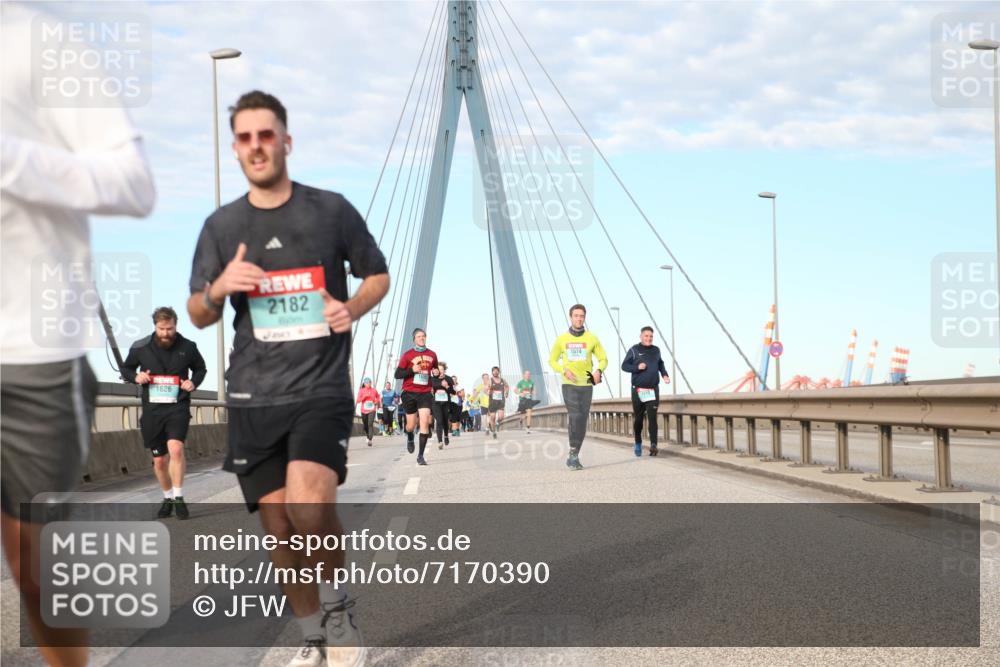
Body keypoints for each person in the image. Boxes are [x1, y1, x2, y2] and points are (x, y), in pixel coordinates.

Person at [187, 90, 389, 667]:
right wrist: (219, 288)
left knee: (308, 507)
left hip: (320, 387)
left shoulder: (331, 211)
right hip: (253, 394)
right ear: (235, 148)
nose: (256, 146)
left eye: (266, 135)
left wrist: (350, 308)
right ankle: (312, 639)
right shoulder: (222, 226)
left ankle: (338, 607)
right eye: (245, 138)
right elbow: (198, 312)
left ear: (286, 141)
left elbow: (377, 275)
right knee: (280, 531)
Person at [0, 5, 156, 664]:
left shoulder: (37, 41)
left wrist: (10, 159)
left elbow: (134, 185)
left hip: (29, 353)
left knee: (38, 575)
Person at [121, 307, 207, 519]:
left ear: (176, 326)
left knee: (176, 449)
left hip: (178, 406)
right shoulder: (140, 346)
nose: (166, 333)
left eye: (170, 329)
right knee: (159, 460)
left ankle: (178, 497)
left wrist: (193, 382)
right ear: (155, 326)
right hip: (152, 410)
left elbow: (200, 369)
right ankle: (167, 497)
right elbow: (126, 369)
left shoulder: (188, 346)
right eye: (162, 329)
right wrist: (136, 377)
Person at [548, 304, 607, 470]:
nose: (579, 319)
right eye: (576, 316)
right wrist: (563, 370)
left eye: (582, 316)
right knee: (575, 416)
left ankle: (574, 453)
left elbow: (603, 359)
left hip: (586, 384)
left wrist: (598, 371)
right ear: (571, 317)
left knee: (582, 419)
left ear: (584, 318)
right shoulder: (562, 339)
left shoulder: (592, 338)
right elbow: (552, 360)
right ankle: (573, 454)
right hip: (569, 384)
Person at [622, 326, 671, 456]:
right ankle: (638, 442)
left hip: (653, 390)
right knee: (638, 419)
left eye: (651, 336)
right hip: (638, 390)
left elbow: (660, 364)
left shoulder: (656, 350)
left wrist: (664, 375)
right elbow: (624, 366)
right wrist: (637, 367)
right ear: (641, 337)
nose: (649, 338)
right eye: (646, 336)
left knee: (652, 418)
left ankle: (653, 445)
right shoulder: (634, 350)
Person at [394, 328, 438, 465]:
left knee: (424, 423)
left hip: (425, 392)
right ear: (414, 339)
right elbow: (397, 374)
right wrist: (411, 370)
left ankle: (420, 456)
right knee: (410, 425)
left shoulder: (432, 354)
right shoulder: (407, 355)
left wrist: (436, 372)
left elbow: (435, 370)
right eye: (419, 336)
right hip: (409, 393)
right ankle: (410, 437)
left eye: (423, 336)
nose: (421, 338)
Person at [430, 361, 454, 450]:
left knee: (445, 421)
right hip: (436, 403)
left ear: (444, 370)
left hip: (446, 403)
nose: (440, 371)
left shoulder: (448, 379)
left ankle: (446, 435)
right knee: (439, 421)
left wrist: (447, 387)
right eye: (438, 369)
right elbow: (430, 388)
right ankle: (440, 441)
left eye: (442, 369)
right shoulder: (433, 379)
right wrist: (432, 390)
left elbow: (453, 392)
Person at [486, 366, 509, 439]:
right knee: (492, 417)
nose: (495, 372)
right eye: (494, 371)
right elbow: (485, 389)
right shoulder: (490, 380)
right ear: (492, 372)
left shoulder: (502, 380)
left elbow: (507, 386)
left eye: (497, 371)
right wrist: (488, 392)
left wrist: (506, 392)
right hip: (492, 401)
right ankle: (494, 432)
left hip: (500, 401)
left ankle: (497, 423)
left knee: (501, 417)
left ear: (499, 372)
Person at [356, 377, 380, 447]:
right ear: (364, 384)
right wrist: (364, 397)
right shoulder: (361, 391)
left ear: (371, 383)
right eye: (366, 383)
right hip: (364, 410)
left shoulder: (374, 390)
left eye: (369, 382)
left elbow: (378, 397)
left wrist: (376, 401)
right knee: (366, 425)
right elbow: (358, 401)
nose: (368, 384)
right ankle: (367, 435)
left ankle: (370, 439)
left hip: (372, 410)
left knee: (370, 424)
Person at [515, 370, 539, 434]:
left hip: (528, 400)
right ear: (524, 375)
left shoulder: (531, 382)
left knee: (529, 413)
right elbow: (515, 390)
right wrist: (520, 393)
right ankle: (521, 420)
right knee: (523, 415)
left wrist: (533, 392)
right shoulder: (520, 382)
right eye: (527, 374)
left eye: (529, 374)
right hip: (522, 400)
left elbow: (533, 390)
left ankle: (528, 428)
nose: (528, 375)